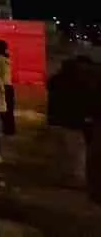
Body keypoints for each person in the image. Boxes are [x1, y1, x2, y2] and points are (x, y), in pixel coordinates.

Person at [46, 56, 94, 191]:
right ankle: (75, 179)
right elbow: (84, 103)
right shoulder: (80, 83)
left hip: (56, 121)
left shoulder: (56, 81)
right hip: (72, 123)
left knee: (60, 152)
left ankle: (61, 176)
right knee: (76, 153)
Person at [0, 40, 14, 136]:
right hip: (9, 85)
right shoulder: (7, 57)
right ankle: (9, 129)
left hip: (2, 85)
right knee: (9, 109)